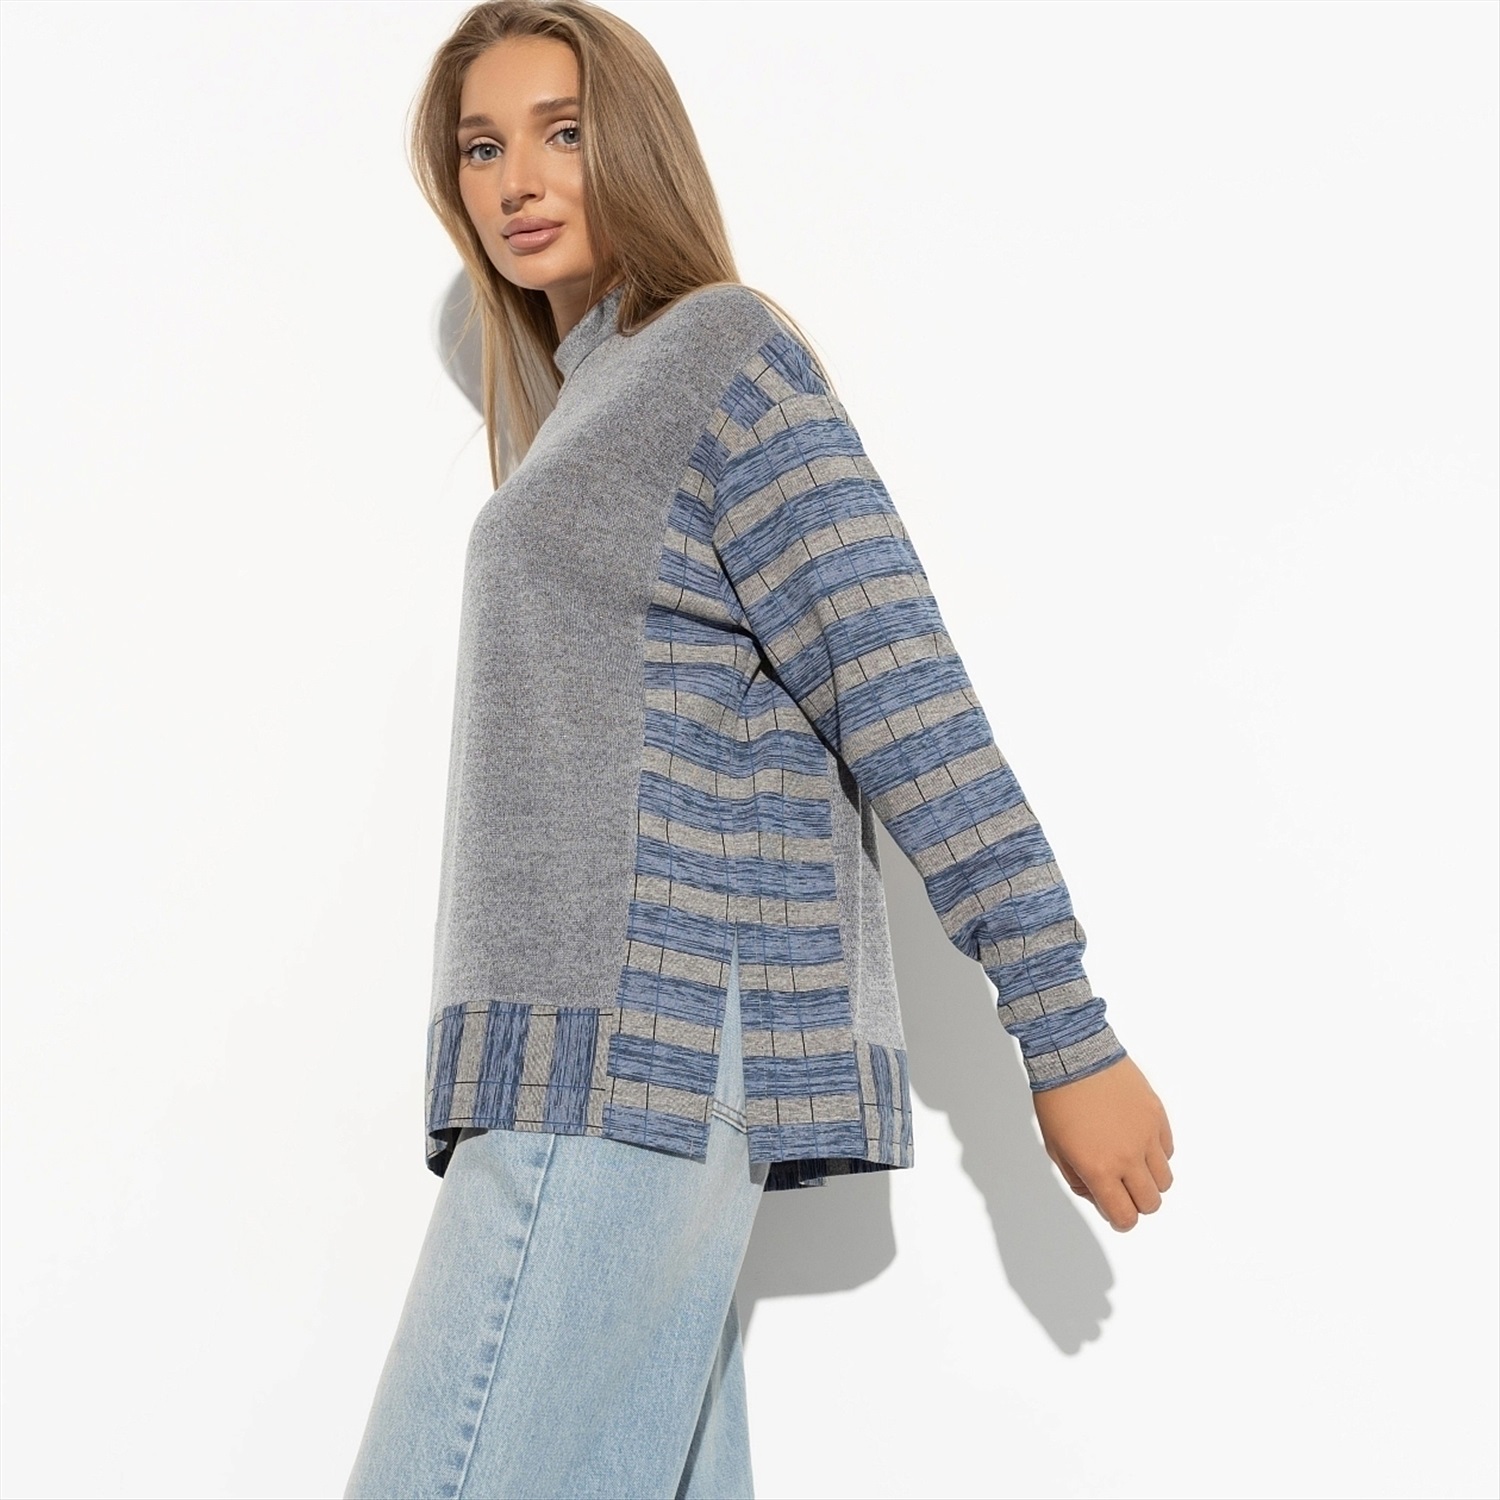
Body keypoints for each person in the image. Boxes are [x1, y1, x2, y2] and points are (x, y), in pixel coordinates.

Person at [344, 3, 1174, 1496]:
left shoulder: (717, 356)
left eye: (562, 131)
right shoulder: (589, 404)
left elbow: (898, 684)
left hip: (626, 1057)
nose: (517, 178)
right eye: (481, 147)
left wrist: (1065, 1026)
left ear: (635, 143)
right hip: (593, 1066)